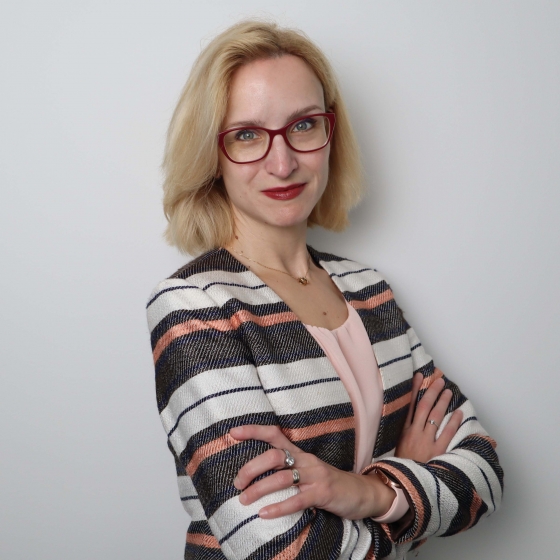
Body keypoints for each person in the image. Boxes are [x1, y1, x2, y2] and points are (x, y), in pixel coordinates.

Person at [146, 20, 503, 560]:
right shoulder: (193, 306)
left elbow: (486, 476)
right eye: (247, 135)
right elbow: (280, 548)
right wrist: (407, 491)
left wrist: (369, 491)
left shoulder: (370, 290)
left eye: (305, 125)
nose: (283, 162)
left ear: (331, 133)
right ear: (211, 155)